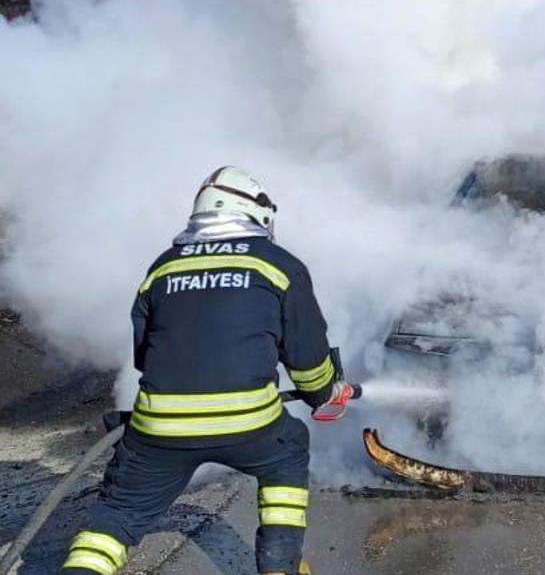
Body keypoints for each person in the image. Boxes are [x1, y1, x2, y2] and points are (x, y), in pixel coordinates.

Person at [63, 166, 354, 575]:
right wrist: (327, 394)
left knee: (116, 515)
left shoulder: (162, 268)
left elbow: (145, 355)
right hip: (252, 427)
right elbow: (308, 364)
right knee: (288, 449)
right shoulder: (279, 265)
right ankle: (279, 567)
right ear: (258, 214)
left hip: (161, 429)